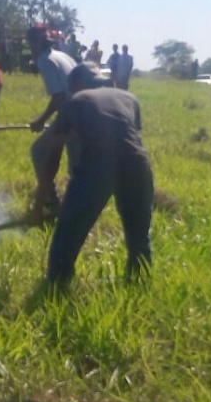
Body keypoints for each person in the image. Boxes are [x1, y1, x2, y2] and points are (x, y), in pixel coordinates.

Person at [34, 63, 153, 286]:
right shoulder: (129, 97)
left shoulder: (74, 101)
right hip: (139, 167)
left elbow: (52, 160)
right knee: (139, 237)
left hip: (96, 168)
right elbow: (128, 137)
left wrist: (38, 206)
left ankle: (56, 288)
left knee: (67, 233)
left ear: (77, 84)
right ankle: (139, 286)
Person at [26, 24, 79, 216]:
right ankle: (58, 201)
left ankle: (55, 201)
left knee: (41, 151)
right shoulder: (62, 56)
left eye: (30, 42)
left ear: (33, 42)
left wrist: (40, 120)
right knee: (71, 162)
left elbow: (59, 97)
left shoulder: (45, 61)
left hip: (72, 116)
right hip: (79, 111)